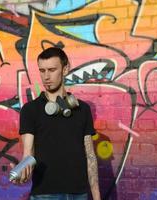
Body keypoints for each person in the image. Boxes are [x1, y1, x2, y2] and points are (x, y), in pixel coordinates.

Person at [12, 47, 101, 200]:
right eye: (42, 70)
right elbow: (28, 153)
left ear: (65, 69)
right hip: (45, 194)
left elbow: (90, 157)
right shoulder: (30, 110)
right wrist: (22, 171)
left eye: (52, 70)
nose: (46, 76)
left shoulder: (82, 109)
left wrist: (97, 197)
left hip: (78, 193)